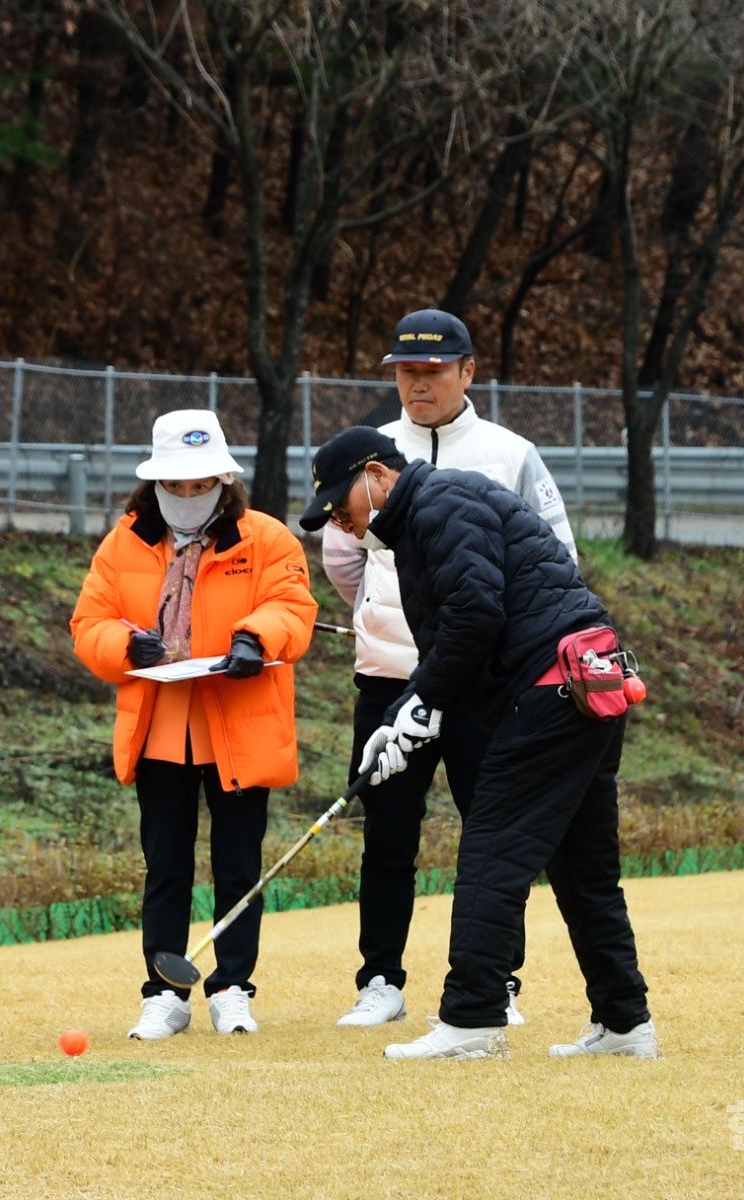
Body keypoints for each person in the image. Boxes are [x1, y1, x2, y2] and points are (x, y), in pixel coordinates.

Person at [301, 426, 657, 1062]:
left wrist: (419, 703)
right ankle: (625, 1022)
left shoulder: (441, 503)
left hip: (554, 690)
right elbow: (457, 640)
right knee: (583, 869)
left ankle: (472, 1018)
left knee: (492, 849)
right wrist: (410, 715)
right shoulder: (423, 521)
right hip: (585, 687)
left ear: (378, 476)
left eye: (341, 504)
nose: (342, 523)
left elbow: (476, 616)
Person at [322, 308, 577, 1029]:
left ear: (468, 372)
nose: (418, 383)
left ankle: (498, 982)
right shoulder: (372, 450)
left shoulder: (511, 451)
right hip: (389, 673)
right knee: (388, 832)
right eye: (406, 371)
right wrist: (387, 615)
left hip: (487, 682)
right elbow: (344, 557)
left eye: (433, 371)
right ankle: (380, 979)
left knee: (492, 830)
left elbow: (555, 558)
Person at [71, 410, 317, 1040]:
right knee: (166, 866)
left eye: (199, 483)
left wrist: (253, 640)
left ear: (223, 480)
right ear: (153, 484)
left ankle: (233, 987)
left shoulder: (266, 539)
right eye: (175, 485)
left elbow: (291, 608)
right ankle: (164, 992)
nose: (187, 496)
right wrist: (128, 648)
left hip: (238, 724)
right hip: (158, 729)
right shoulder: (122, 541)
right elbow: (89, 625)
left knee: (239, 865)